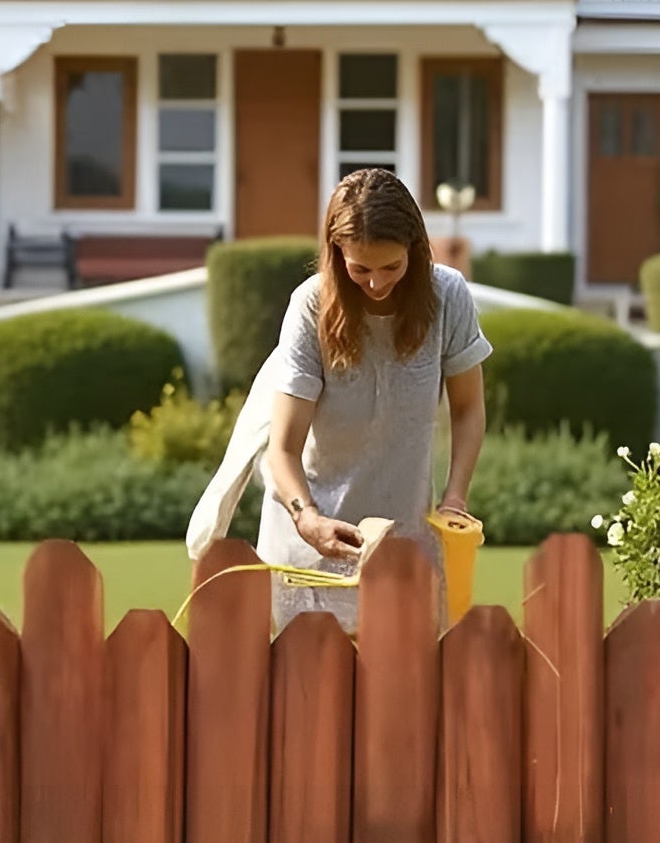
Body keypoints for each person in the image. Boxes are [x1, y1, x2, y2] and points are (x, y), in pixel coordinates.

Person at [201, 168, 491, 634]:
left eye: (391, 267)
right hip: (310, 547)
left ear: (415, 251)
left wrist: (456, 497)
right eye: (360, 269)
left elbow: (468, 408)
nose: (376, 283)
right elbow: (284, 446)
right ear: (337, 256)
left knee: (401, 697)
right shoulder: (311, 306)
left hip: (404, 543)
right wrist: (306, 516)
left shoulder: (448, 296)